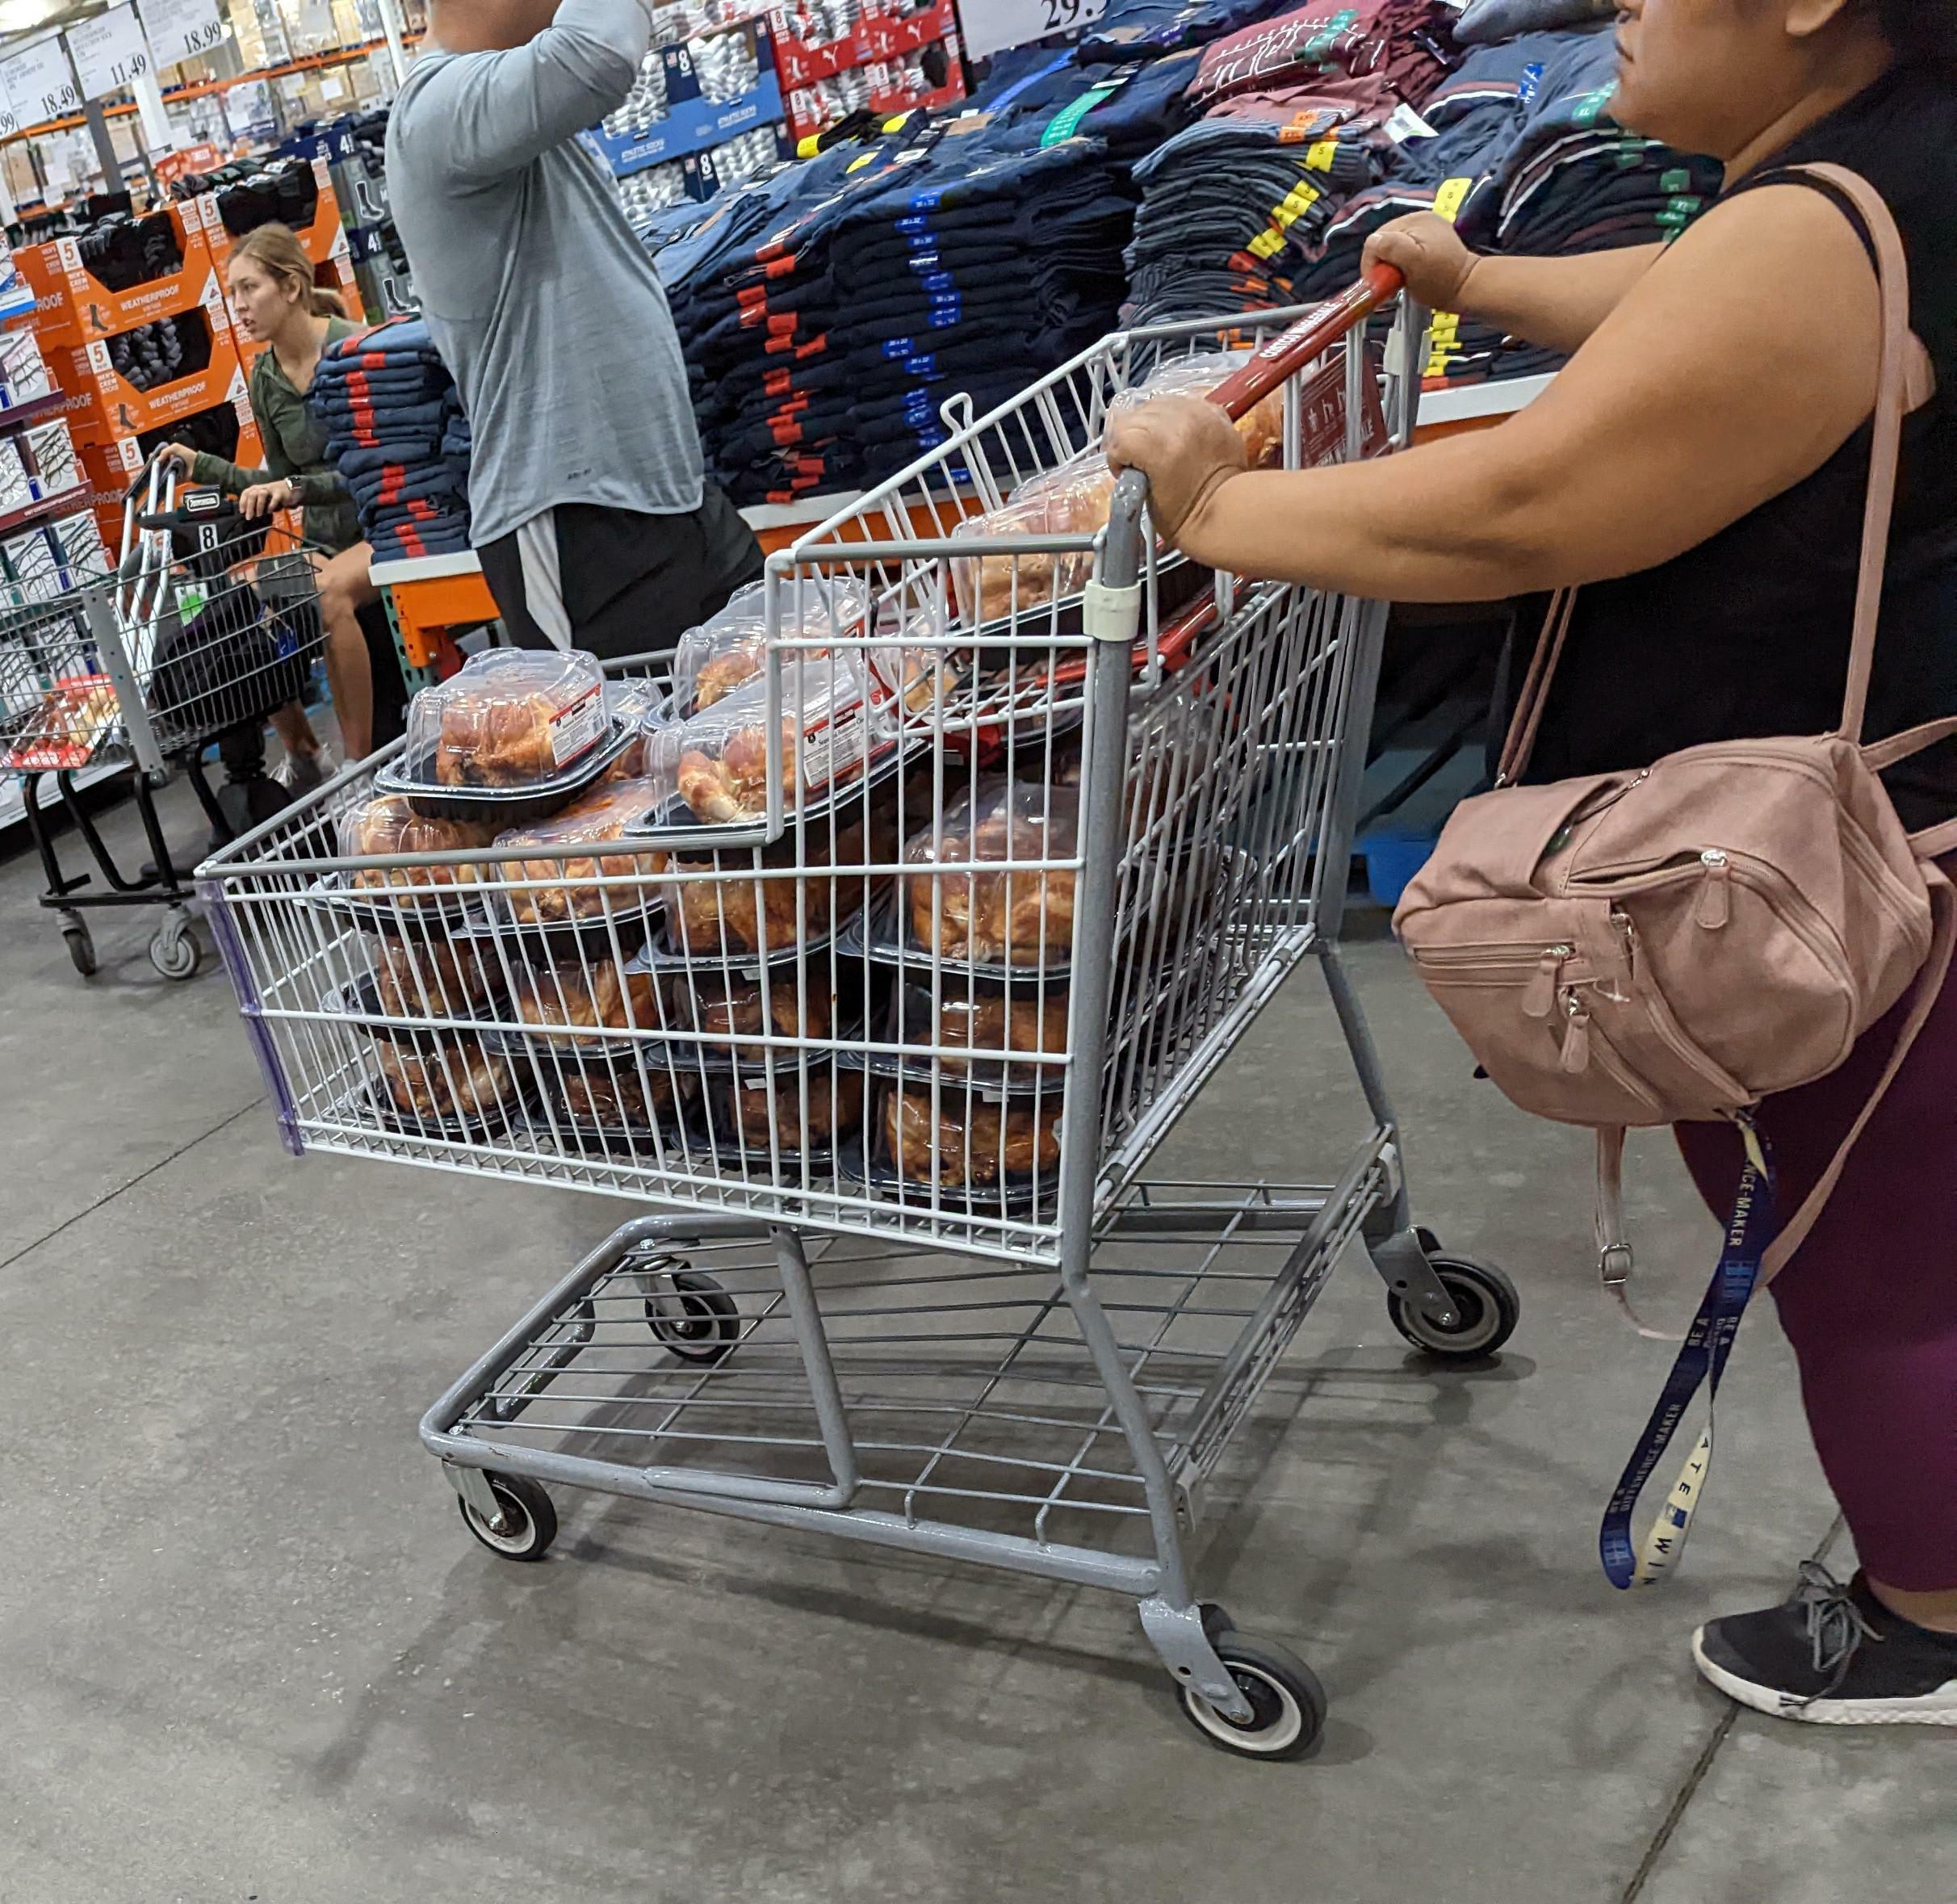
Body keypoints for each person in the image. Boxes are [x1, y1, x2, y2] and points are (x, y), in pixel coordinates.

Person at [1108, 0, 1957, 1727]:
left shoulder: (1823, 223)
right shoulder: (1876, 173)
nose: (1619, 12)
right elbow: (1685, 306)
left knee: (1873, 1276)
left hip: (1831, 872)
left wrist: (1213, 514)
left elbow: (1524, 514)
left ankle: (1926, 1619)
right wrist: (1478, 287)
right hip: (1901, 823)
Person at [384, 0, 764, 657]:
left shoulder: (501, 110)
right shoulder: (434, 109)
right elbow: (599, 52)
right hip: (573, 519)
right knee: (637, 753)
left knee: (784, 705)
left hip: (663, 491)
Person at [161, 224, 387, 767]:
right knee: (237, 604)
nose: (238, 306)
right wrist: (202, 466)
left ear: (290, 287)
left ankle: (360, 768)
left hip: (388, 527)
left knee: (327, 596)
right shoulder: (264, 376)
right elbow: (279, 482)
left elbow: (384, 470)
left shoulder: (354, 347)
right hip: (323, 540)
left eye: (249, 289)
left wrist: (297, 488)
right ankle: (307, 754)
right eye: (231, 293)